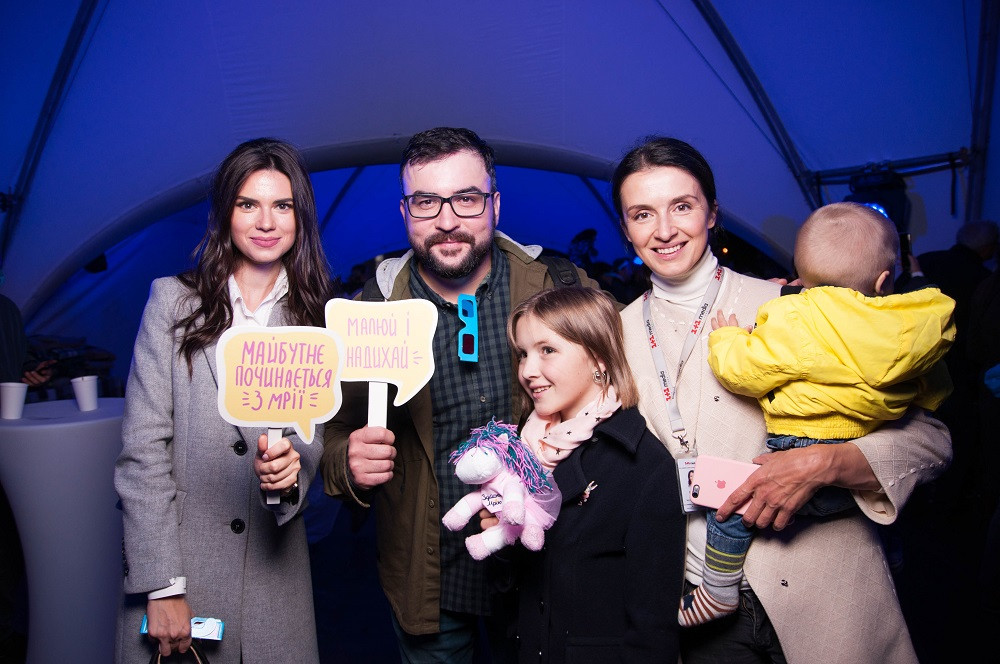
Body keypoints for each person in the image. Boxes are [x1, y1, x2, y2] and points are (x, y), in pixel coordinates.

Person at [614, 136, 952, 663]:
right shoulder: (613, 337)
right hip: (697, 600)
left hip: (827, 592)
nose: (664, 230)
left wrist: (829, 464)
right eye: (642, 214)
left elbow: (932, 440)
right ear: (625, 228)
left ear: (712, 214)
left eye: (682, 206)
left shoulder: (800, 303)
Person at [320, 127, 602, 663]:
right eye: (426, 202)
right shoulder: (374, 311)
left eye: (466, 199)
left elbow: (627, 374)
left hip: (544, 566)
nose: (446, 220)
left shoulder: (557, 286)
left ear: (494, 204)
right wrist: (348, 463)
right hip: (432, 578)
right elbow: (334, 431)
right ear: (404, 211)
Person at [676, 202, 955, 626]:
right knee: (877, 512)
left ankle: (717, 591)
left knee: (732, 508)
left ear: (799, 273)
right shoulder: (912, 328)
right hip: (858, 463)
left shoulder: (795, 319)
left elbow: (743, 371)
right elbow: (934, 391)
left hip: (798, 445)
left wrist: (727, 338)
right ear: (884, 280)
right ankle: (894, 551)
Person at [114, 138, 332, 663]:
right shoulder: (173, 303)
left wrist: (289, 474)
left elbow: (312, 441)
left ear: (300, 217)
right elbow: (143, 451)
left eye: (282, 206)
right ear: (225, 214)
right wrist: (162, 583)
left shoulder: (316, 319)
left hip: (273, 586)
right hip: (184, 571)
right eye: (248, 204)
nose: (266, 222)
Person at [507, 286, 684, 663]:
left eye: (547, 350)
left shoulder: (643, 466)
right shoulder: (526, 447)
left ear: (599, 359)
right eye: (523, 354)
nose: (527, 371)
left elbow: (653, 630)